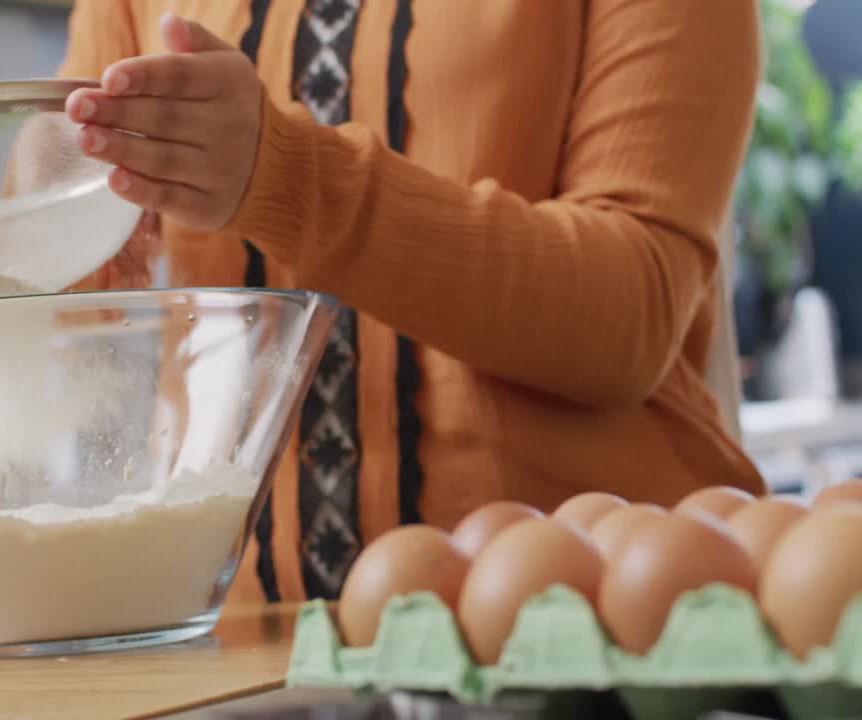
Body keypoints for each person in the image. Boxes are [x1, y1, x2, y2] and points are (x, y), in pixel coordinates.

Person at [46, 0, 766, 605]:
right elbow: (70, 285)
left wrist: (286, 177)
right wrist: (49, 191)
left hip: (595, 626)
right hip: (236, 652)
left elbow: (631, 312)